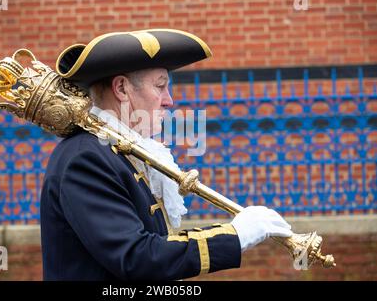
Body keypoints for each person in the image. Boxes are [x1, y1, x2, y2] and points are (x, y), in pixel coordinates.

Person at [40, 29, 293, 280]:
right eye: (160, 86)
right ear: (121, 88)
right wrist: (235, 236)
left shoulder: (119, 152)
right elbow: (136, 257)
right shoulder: (86, 158)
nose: (169, 100)